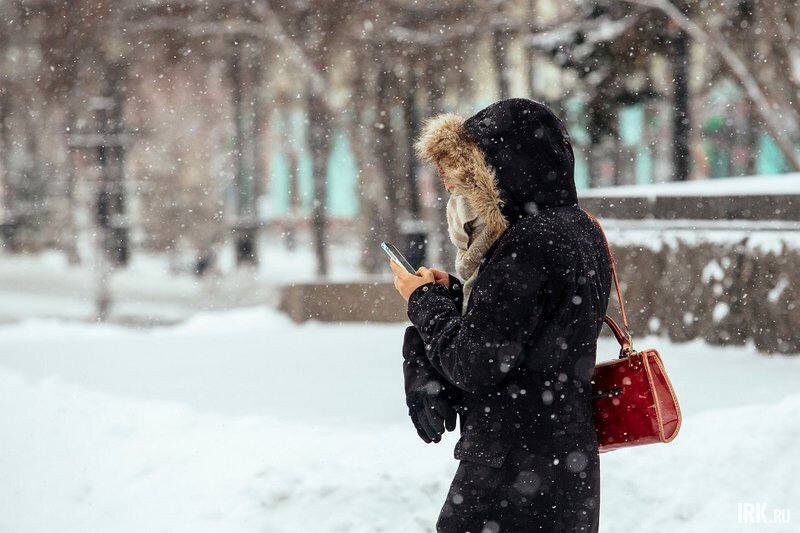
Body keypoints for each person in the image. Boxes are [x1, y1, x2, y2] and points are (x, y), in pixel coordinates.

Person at [390, 98, 613, 533]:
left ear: (500, 174)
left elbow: (475, 363)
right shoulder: (580, 229)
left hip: (510, 472)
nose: (461, 200)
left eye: (468, 185)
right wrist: (452, 294)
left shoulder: (528, 244)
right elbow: (529, 330)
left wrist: (423, 301)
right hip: (566, 469)